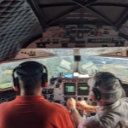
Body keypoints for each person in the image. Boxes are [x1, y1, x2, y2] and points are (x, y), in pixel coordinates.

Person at [0, 61, 75, 128]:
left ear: (15, 85)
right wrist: (73, 109)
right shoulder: (59, 112)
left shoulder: (1, 110)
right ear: (45, 83)